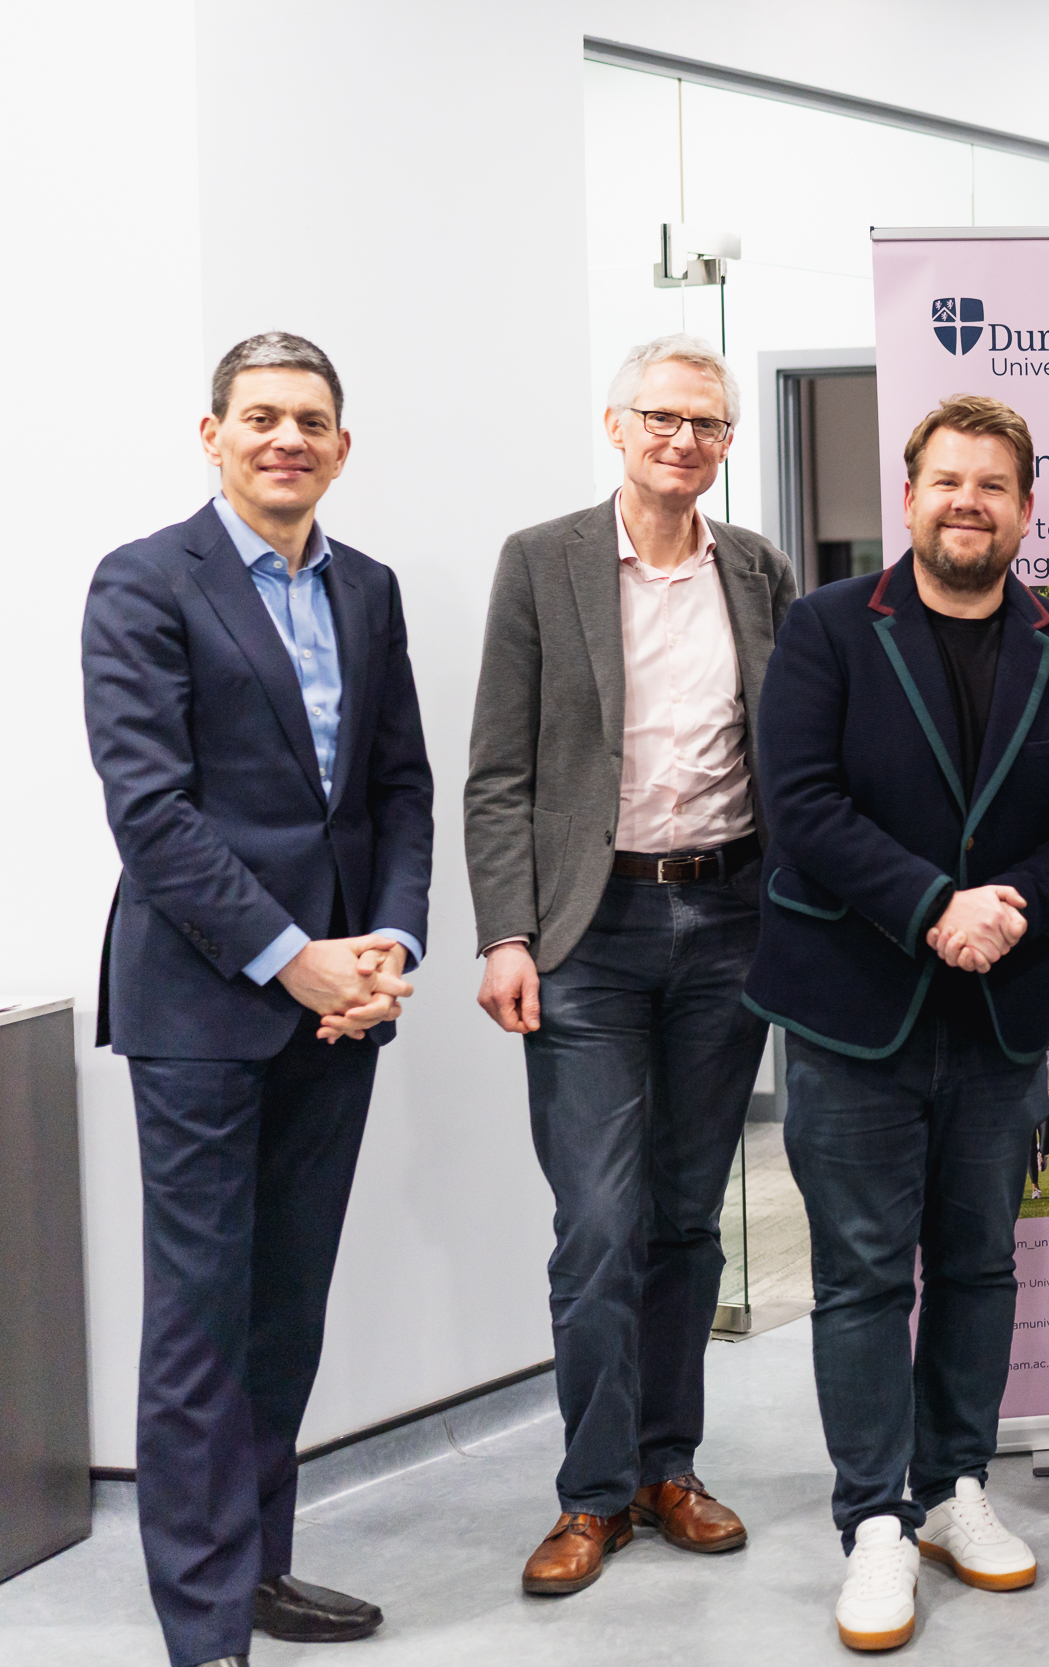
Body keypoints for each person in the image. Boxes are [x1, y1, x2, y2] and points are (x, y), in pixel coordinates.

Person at [743, 395, 1049, 1652]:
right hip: (855, 1007)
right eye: (947, 480)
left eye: (995, 484)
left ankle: (955, 1485)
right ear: (910, 495)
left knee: (976, 1262)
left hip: (1001, 1007)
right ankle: (871, 1519)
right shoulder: (825, 629)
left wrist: (1008, 914)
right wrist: (930, 907)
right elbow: (799, 802)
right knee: (860, 1276)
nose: (970, 502)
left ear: (1026, 505)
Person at [83, 332, 433, 1667]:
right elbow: (153, 814)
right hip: (202, 1004)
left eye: (313, 419)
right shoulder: (142, 583)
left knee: (285, 1306)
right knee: (199, 1319)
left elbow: (400, 784)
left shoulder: (372, 588)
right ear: (214, 433)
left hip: (344, 998)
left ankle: (261, 1559)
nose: (289, 437)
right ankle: (205, 1621)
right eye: (263, 416)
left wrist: (387, 942)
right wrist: (296, 954)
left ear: (343, 444)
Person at [464, 336, 796, 1594]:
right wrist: (507, 930)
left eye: (706, 424)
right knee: (598, 1224)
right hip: (590, 936)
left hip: (726, 923)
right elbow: (498, 771)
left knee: (685, 1218)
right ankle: (592, 1489)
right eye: (661, 417)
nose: (684, 440)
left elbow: (785, 754)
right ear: (615, 426)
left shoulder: (755, 569)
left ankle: (670, 1463)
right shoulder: (541, 561)